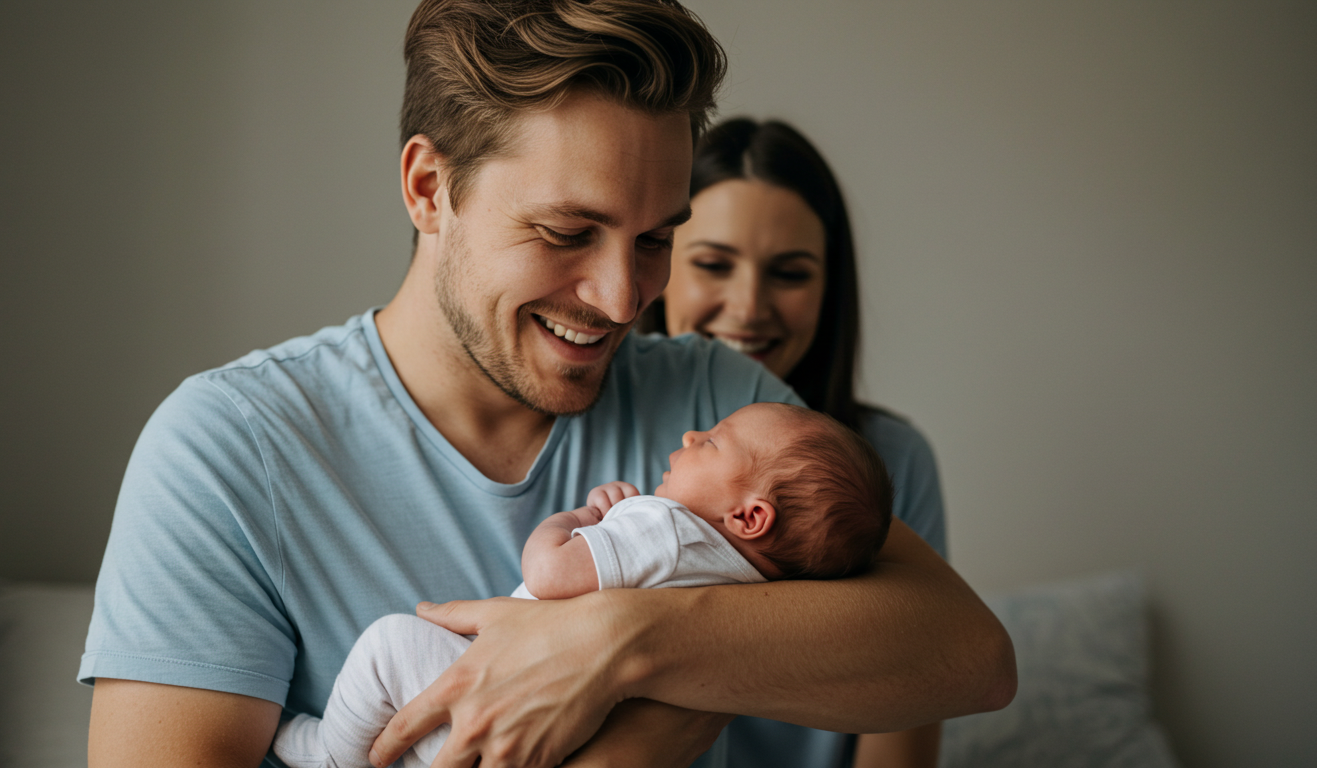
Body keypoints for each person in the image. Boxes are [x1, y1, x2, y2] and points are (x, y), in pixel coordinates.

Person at [81, 3, 1015, 768]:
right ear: (429, 187)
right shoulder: (228, 449)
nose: (622, 299)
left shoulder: (718, 401)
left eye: (656, 239)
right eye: (568, 232)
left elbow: (971, 658)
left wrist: (618, 644)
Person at [272, 402, 895, 768]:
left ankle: (330, 754)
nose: (689, 437)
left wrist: (580, 520)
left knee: (391, 644)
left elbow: (548, 575)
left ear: (750, 517)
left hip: (495, 711)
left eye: (710, 442)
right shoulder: (752, 590)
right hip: (562, 744)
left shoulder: (667, 530)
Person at [641, 117, 948, 766]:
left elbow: (911, 719)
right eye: (713, 265)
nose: (749, 306)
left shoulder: (892, 463)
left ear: (829, 288)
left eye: (789, 273)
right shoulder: (614, 434)